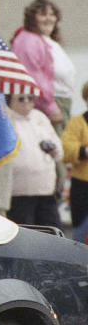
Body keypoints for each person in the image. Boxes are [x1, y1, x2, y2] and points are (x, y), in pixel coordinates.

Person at [11, 0, 75, 135]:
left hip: (60, 102)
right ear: (32, 17)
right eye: (43, 14)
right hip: (45, 105)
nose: (49, 19)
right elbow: (34, 77)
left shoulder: (47, 41)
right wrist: (50, 106)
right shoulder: (29, 40)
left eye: (52, 14)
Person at [6, 94, 63, 230]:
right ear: (10, 101)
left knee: (52, 234)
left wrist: (53, 149)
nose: (26, 102)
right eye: (20, 98)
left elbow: (60, 151)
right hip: (19, 192)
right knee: (25, 236)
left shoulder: (40, 117)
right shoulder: (6, 118)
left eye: (30, 98)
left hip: (46, 190)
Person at [61, 81, 88, 236]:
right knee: (80, 234)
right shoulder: (76, 122)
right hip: (82, 187)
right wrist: (84, 151)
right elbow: (66, 149)